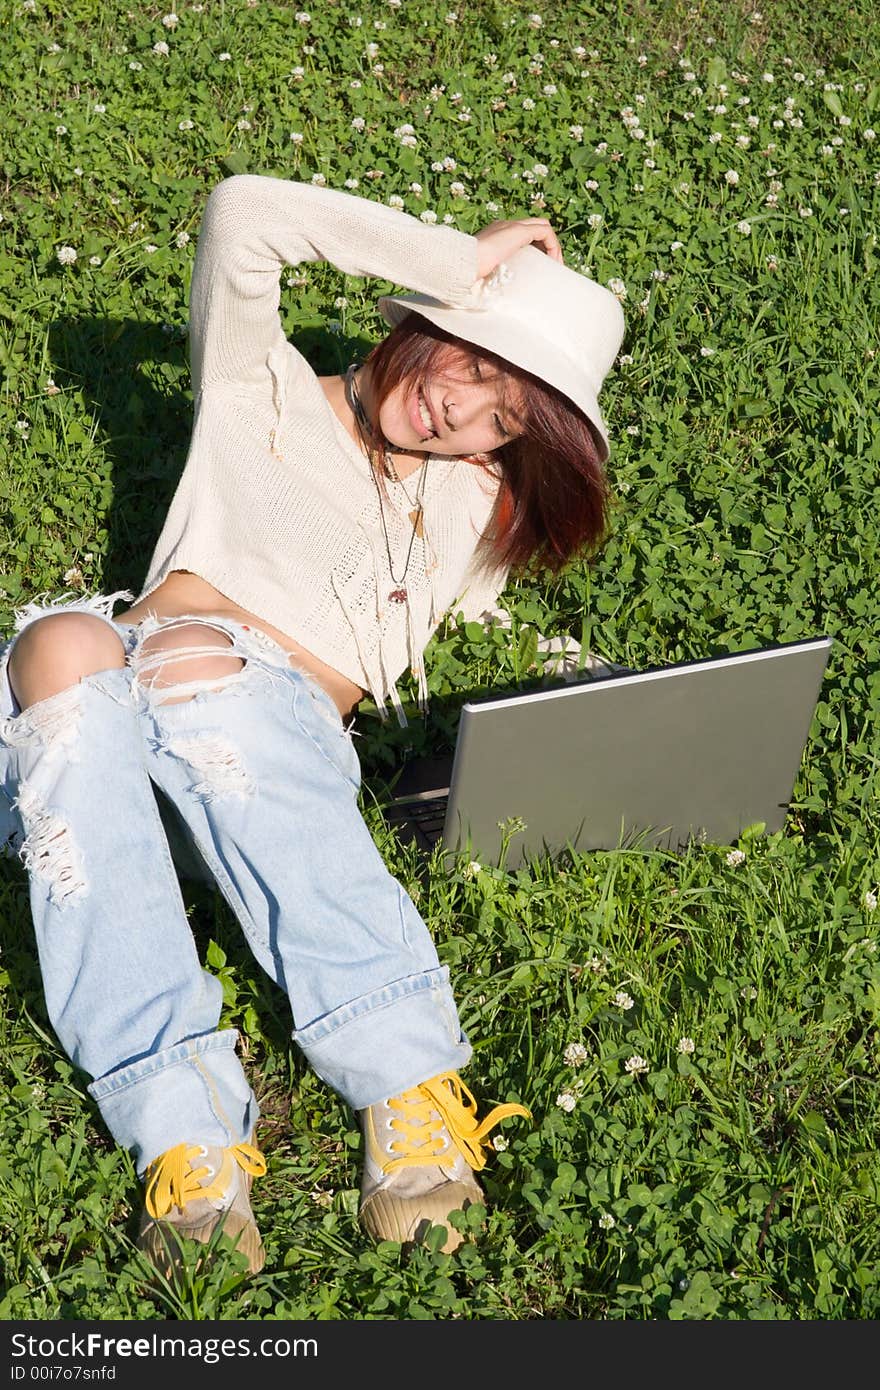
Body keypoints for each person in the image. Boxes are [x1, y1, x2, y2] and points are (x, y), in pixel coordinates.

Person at [0, 174, 624, 1276]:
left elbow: (514, 558)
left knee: (203, 666)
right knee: (67, 645)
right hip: (97, 735)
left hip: (245, 754)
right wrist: (455, 260)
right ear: (425, 322)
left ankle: (402, 1085)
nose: (458, 410)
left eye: (503, 414)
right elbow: (244, 213)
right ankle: (187, 1137)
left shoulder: (468, 499)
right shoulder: (262, 391)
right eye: (469, 362)